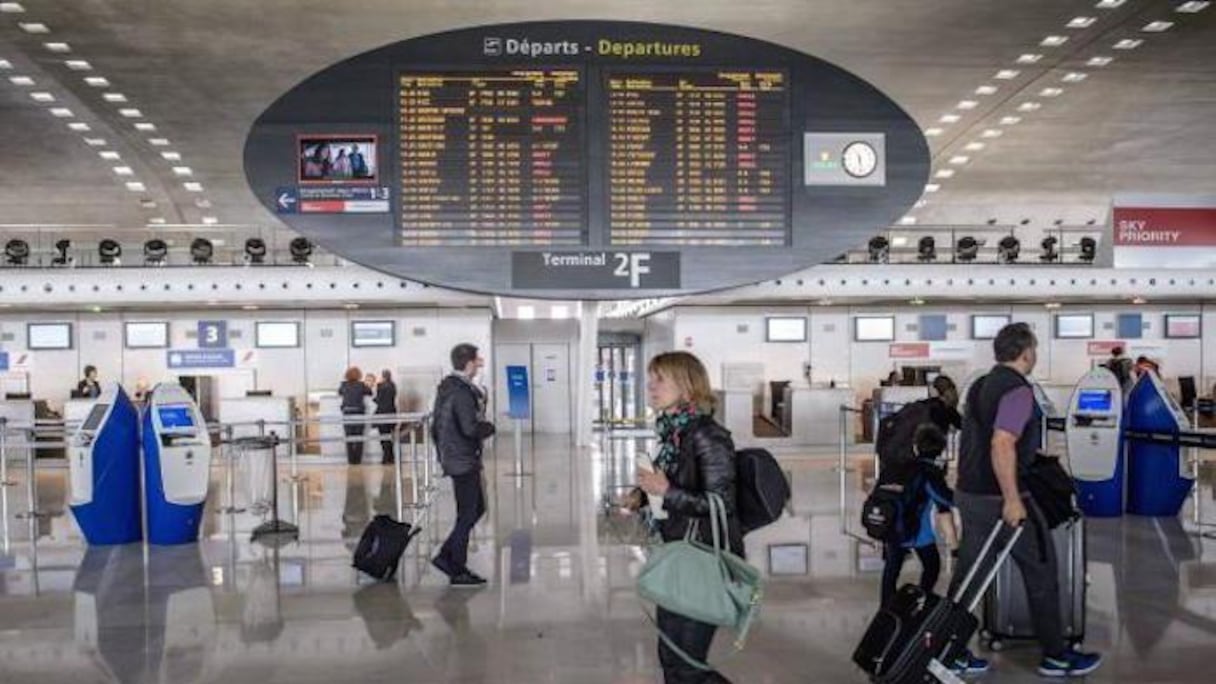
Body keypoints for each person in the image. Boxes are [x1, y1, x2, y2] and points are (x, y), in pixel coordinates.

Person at [949, 323, 1102, 677]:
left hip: (971, 494)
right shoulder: (1018, 391)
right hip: (1000, 499)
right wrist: (1012, 499)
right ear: (1027, 352)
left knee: (969, 577)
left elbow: (980, 439)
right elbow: (1001, 442)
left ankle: (948, 648)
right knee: (1042, 572)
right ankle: (1056, 656)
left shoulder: (980, 386)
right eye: (1034, 350)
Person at [632, 351, 741, 684]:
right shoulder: (673, 434)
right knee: (671, 656)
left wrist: (666, 491)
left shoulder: (708, 435)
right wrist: (642, 497)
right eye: (651, 379)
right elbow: (677, 485)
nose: (651, 387)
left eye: (660, 379)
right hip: (677, 553)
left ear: (687, 385)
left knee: (687, 665)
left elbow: (720, 503)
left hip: (703, 559)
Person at [431, 343, 495, 587]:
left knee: (475, 509)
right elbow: (470, 428)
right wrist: (489, 427)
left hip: (457, 456)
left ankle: (447, 556)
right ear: (468, 363)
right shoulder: (460, 391)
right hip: (462, 459)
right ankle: (455, 567)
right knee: (469, 512)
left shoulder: (450, 388)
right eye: (477, 360)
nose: (480, 363)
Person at [878, 423, 956, 607]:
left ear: (915, 447)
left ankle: (885, 608)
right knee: (932, 566)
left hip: (891, 526)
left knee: (891, 569)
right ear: (941, 451)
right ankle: (922, 601)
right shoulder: (930, 473)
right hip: (917, 532)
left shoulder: (897, 467)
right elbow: (945, 501)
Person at [339, 366, 372, 465]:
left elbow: (340, 392)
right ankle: (357, 460)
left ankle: (350, 460)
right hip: (358, 412)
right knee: (359, 438)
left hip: (347, 413)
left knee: (349, 438)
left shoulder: (343, 385)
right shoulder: (361, 385)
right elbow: (370, 392)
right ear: (359, 375)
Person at [374, 369, 397, 465]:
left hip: (382, 413)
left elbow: (378, 400)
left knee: (383, 438)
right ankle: (391, 458)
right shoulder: (393, 386)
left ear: (383, 376)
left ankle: (385, 458)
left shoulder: (380, 386)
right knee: (389, 436)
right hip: (391, 413)